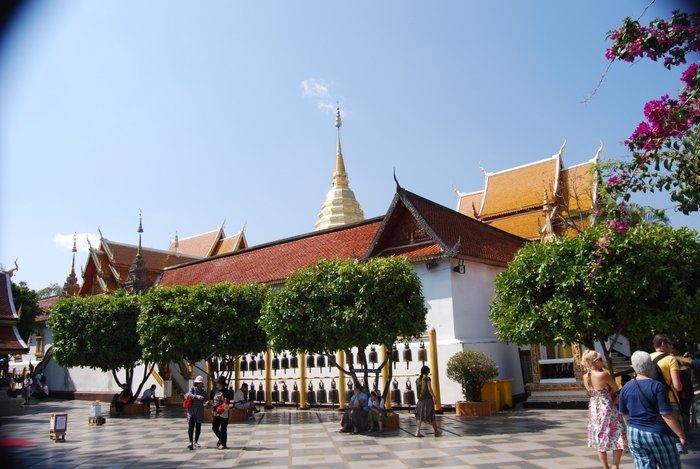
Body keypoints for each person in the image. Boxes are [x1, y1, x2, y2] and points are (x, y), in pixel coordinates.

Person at [619, 351, 687, 469]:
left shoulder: (626, 387)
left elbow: (624, 414)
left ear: (634, 367)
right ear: (650, 366)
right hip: (657, 432)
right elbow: (667, 415)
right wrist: (680, 434)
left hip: (634, 433)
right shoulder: (656, 386)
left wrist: (630, 429)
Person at [581, 350, 626, 469]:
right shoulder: (603, 375)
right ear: (595, 362)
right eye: (600, 360)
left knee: (599, 437)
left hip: (594, 407)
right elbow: (616, 389)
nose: (602, 362)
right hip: (606, 406)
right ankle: (615, 466)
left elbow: (590, 392)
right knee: (617, 433)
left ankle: (605, 467)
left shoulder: (585, 376)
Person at [649, 335, 683, 417]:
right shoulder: (671, 359)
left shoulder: (647, 358)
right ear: (663, 344)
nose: (672, 346)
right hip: (669, 400)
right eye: (670, 343)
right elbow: (677, 386)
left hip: (651, 401)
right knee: (675, 428)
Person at [415, 365, 441, 438]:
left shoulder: (418, 380)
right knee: (431, 415)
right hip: (427, 400)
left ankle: (417, 432)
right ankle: (436, 431)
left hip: (420, 401)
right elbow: (429, 389)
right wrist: (434, 397)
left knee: (419, 416)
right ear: (427, 372)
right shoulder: (427, 378)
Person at [210, 376, 232, 450]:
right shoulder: (215, 391)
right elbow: (213, 400)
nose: (216, 384)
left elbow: (227, 402)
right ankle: (221, 439)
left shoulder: (226, 391)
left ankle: (224, 444)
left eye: (217, 382)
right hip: (216, 413)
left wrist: (222, 404)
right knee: (214, 427)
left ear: (221, 383)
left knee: (223, 429)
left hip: (223, 412)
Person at [186, 375, 207, 450]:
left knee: (198, 426)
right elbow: (190, 395)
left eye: (200, 383)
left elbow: (206, 399)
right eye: (198, 383)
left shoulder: (203, 391)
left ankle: (196, 441)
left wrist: (204, 400)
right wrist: (196, 396)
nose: (199, 384)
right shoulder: (192, 389)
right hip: (191, 410)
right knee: (191, 426)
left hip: (199, 410)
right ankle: (190, 441)